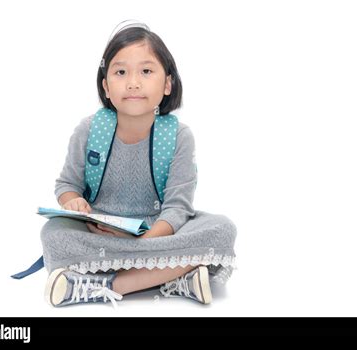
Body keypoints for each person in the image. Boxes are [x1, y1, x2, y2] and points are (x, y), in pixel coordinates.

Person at [41, 21, 237, 307]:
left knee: (221, 229)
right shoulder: (88, 130)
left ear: (167, 83)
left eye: (146, 71)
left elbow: (178, 207)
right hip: (102, 234)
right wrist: (73, 202)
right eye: (121, 72)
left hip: (158, 234)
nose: (133, 82)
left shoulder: (179, 136)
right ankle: (175, 278)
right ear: (106, 86)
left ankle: (103, 285)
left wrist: (145, 244)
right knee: (54, 234)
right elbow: (67, 185)